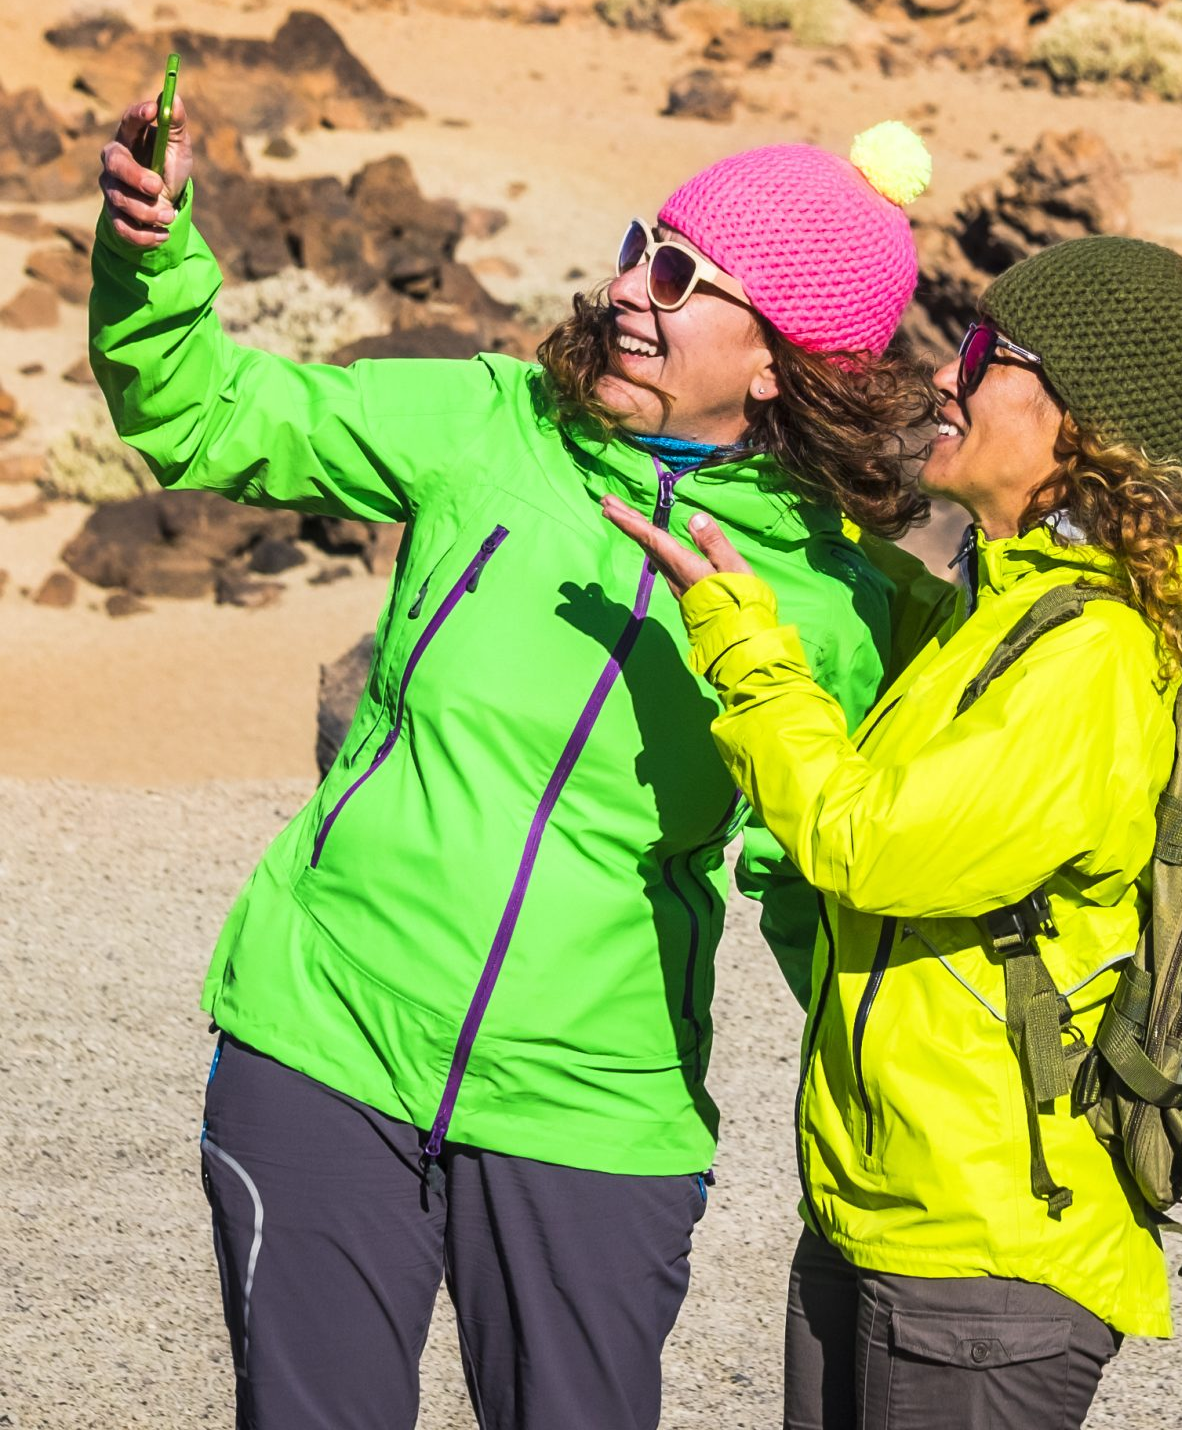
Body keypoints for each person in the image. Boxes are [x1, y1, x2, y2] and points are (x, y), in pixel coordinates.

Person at [91, 91, 940, 1430]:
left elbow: (817, 882)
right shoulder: (489, 423)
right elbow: (207, 414)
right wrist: (152, 256)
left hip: (597, 1103)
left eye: (677, 275)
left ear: (780, 362)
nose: (625, 290)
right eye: (635, 246)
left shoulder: (835, 604)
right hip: (327, 1033)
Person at [610, 215, 1182, 1430]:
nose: (946, 371)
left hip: (985, 1254)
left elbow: (867, 845)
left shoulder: (1092, 655)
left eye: (985, 351)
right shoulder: (1002, 603)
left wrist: (741, 636)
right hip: (889, 1208)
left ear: (1077, 418)